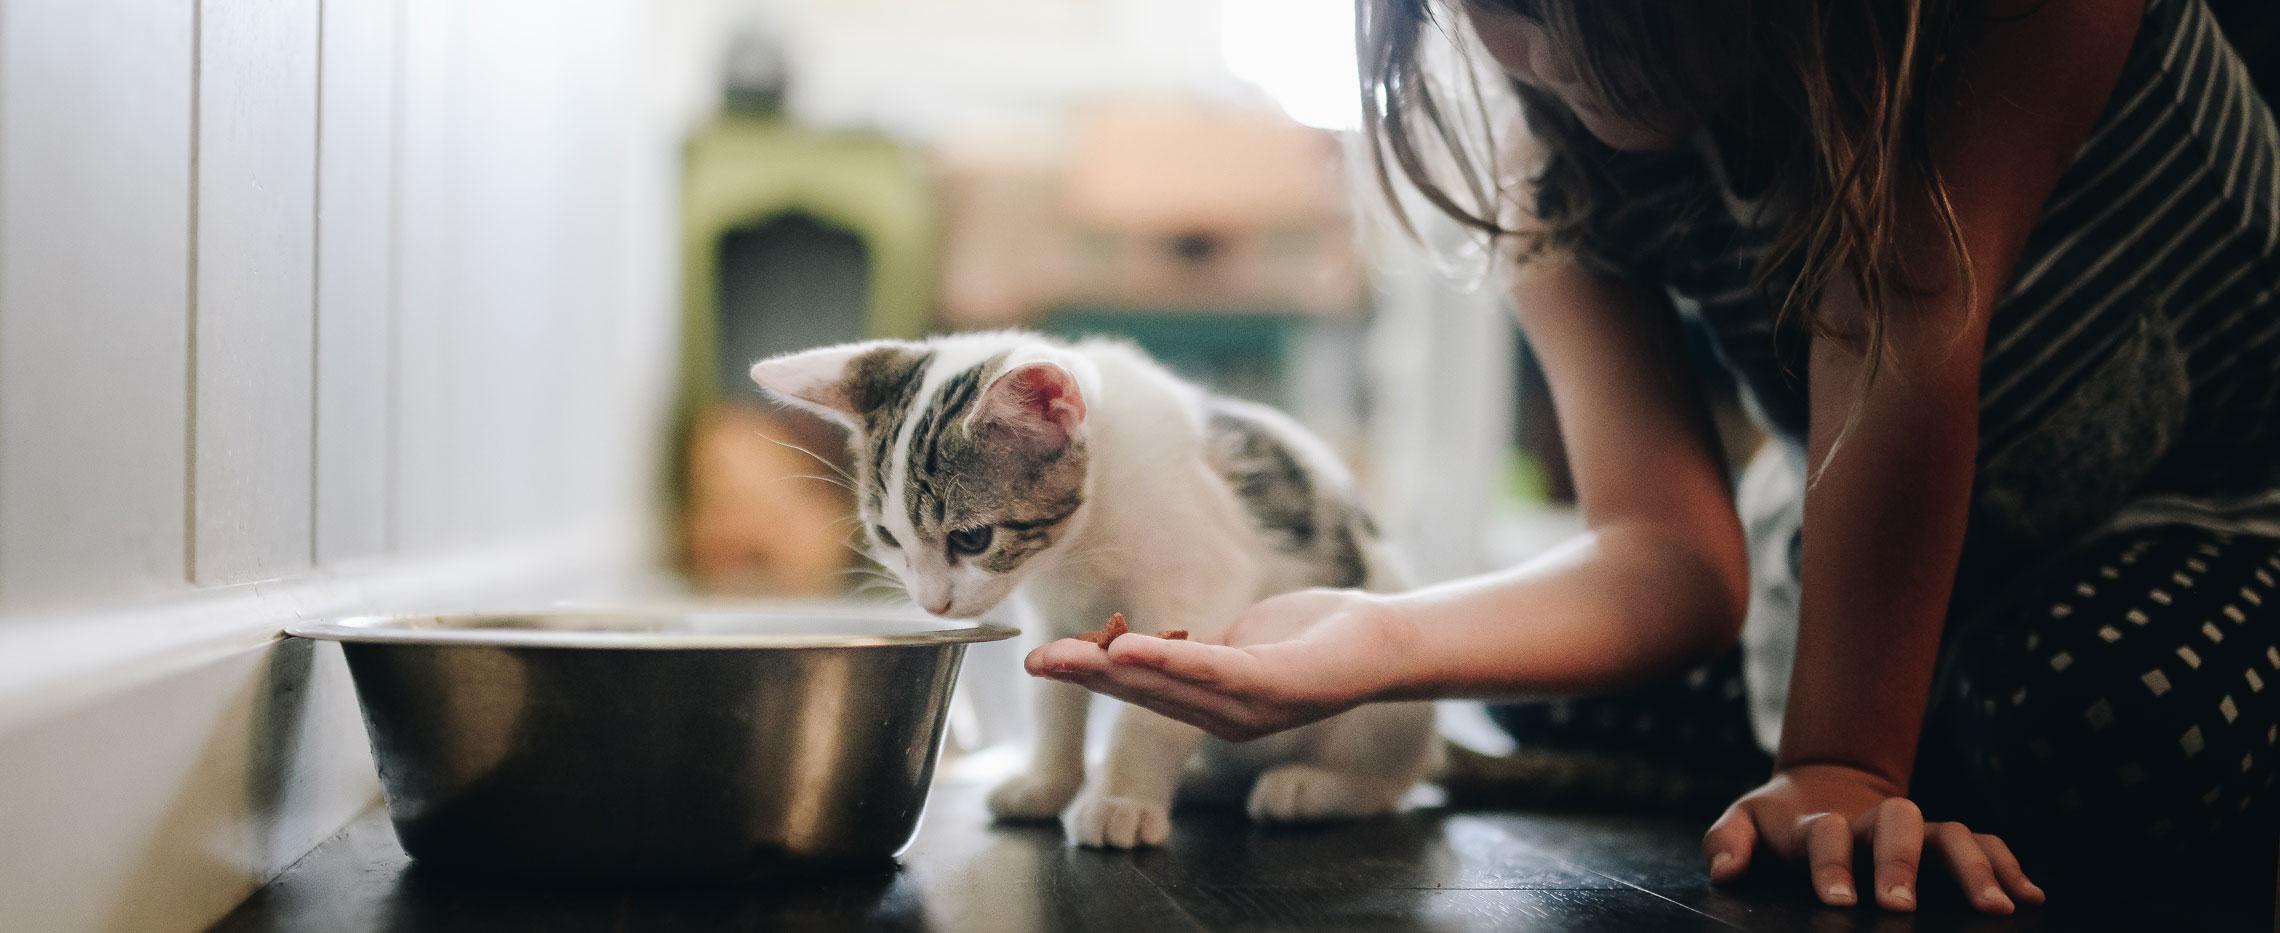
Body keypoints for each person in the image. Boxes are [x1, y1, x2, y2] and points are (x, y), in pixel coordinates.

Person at [1028, 0, 2280, 915]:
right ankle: (1942, 746)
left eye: (1610, 14)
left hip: (2227, 515)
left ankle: (1933, 745)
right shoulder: (1550, 157)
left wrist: (1837, 760)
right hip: (1886, 578)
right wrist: (1376, 638)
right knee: (1532, 680)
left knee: (2101, 716)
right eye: (1508, 12)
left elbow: (1901, 313)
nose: (1556, 59)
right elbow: (1668, 556)